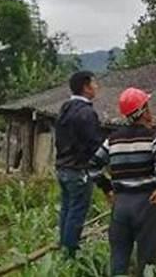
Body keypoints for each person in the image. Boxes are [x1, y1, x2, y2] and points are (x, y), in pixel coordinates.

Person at [89, 87, 156, 277]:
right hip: (147, 203)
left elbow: (93, 166)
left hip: (121, 205)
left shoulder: (112, 140)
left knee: (119, 257)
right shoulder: (155, 137)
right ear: (143, 111)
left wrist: (108, 189)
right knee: (148, 258)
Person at [55, 71, 102, 257]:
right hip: (78, 170)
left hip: (62, 168)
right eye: (94, 83)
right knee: (77, 213)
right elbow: (93, 145)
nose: (97, 87)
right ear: (86, 87)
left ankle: (63, 246)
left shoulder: (65, 109)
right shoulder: (86, 113)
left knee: (67, 209)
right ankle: (69, 255)